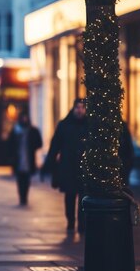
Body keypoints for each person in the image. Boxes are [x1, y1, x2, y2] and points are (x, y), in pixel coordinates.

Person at [41, 98, 88, 233]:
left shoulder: (89, 125)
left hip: (84, 167)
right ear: (73, 109)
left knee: (83, 197)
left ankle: (82, 224)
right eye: (77, 107)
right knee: (70, 195)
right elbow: (55, 145)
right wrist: (48, 165)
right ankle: (70, 221)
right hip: (68, 166)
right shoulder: (64, 124)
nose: (80, 110)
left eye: (82, 108)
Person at [6, 111, 42, 206]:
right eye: (23, 117)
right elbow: (9, 144)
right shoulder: (15, 130)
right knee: (20, 179)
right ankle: (21, 197)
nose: (24, 119)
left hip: (28, 158)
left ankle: (24, 197)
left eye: (26, 117)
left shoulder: (33, 130)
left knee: (26, 179)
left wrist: (32, 144)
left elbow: (39, 143)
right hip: (18, 158)